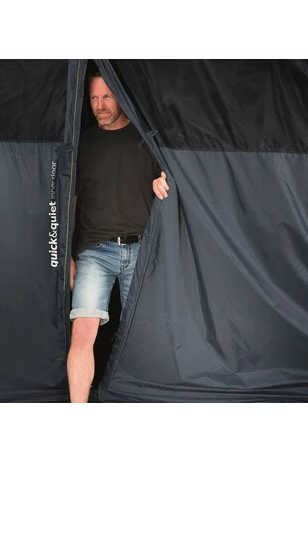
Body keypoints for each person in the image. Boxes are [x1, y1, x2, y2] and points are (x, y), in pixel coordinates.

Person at [67, 72, 170, 402]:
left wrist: (163, 180)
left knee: (143, 337)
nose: (100, 105)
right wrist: (68, 256)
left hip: (141, 250)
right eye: (94, 99)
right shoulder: (83, 145)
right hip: (94, 253)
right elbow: (72, 203)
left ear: (121, 99)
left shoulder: (145, 140)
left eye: (107, 97)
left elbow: (171, 175)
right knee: (82, 331)